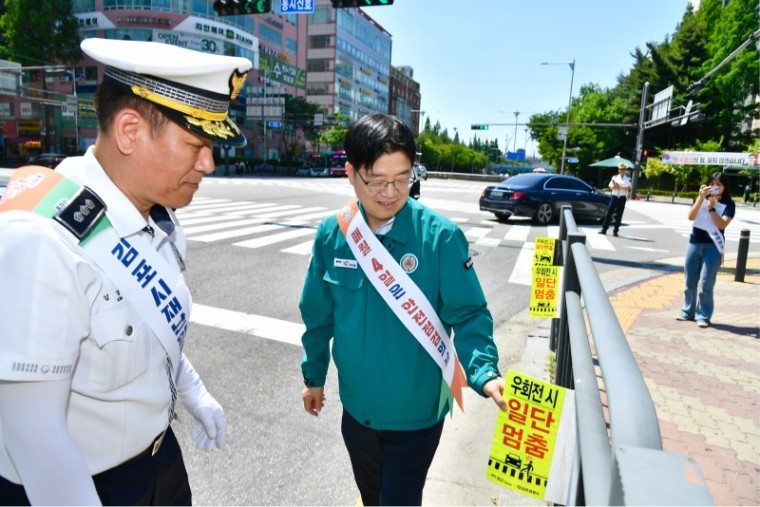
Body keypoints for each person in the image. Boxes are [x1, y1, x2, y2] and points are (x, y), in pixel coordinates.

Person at [0, 38, 252, 505]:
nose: (209, 164)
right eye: (197, 144)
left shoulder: (160, 218)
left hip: (160, 462)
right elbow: (34, 439)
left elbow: (150, 331)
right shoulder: (39, 240)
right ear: (130, 131)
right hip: (83, 486)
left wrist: (192, 392)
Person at [299, 113, 506, 506]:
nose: (391, 192)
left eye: (403, 177)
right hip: (356, 413)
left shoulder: (440, 237)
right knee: (371, 496)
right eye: (376, 179)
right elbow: (317, 314)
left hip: (417, 417)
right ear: (350, 172)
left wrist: (483, 371)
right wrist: (313, 376)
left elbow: (469, 313)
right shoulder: (333, 235)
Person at [676, 172, 735, 328]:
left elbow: (722, 225)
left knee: (706, 283)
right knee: (690, 281)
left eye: (719, 185)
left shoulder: (729, 204)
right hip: (694, 243)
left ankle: (703, 315)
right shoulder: (701, 198)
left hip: (713, 247)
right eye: (713, 183)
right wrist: (701, 199)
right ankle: (687, 311)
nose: (715, 187)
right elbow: (691, 217)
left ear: (725, 187)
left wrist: (711, 209)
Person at [599, 163, 632, 236]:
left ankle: (616, 230)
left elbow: (628, 188)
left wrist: (618, 186)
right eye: (620, 169)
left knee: (619, 215)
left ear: (625, 170)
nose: (622, 171)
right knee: (608, 213)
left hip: (622, 198)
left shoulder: (628, 178)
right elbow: (611, 187)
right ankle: (604, 229)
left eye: (623, 169)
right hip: (614, 197)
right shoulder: (615, 178)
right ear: (618, 170)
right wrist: (621, 187)